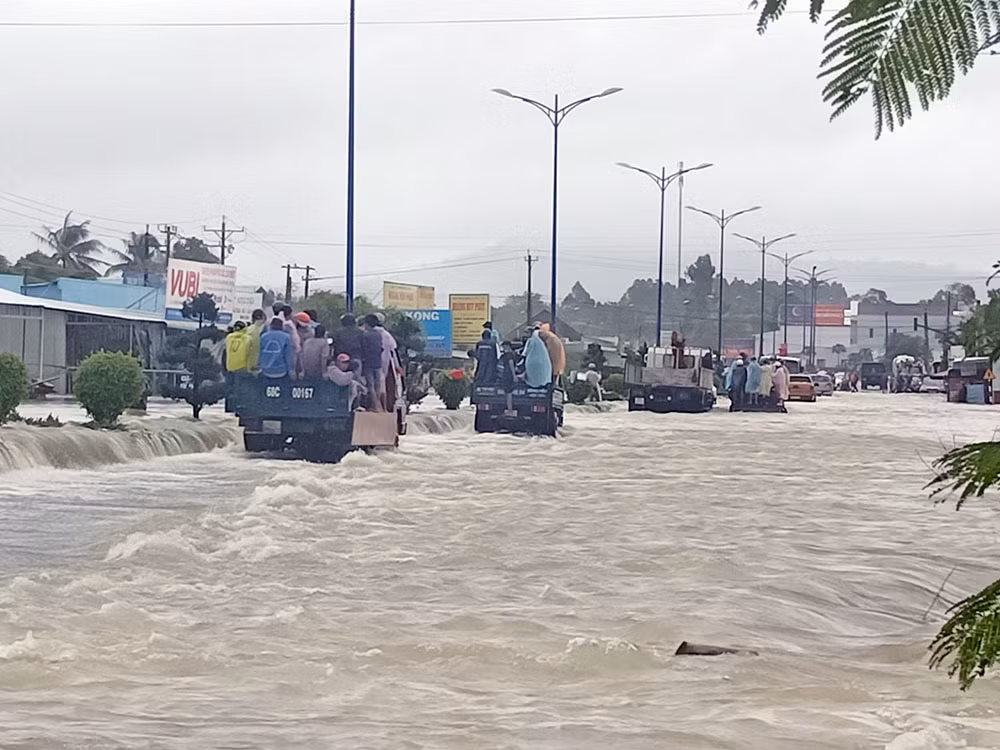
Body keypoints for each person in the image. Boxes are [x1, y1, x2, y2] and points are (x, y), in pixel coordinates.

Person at [360, 314, 384, 411]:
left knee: (370, 385)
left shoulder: (365, 335)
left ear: (366, 324)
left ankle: (375, 406)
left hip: (368, 362)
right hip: (378, 362)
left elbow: (363, 348)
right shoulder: (378, 334)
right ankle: (377, 403)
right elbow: (381, 348)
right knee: (377, 384)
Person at [245, 309, 267, 373]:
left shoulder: (248, 329)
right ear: (262, 318)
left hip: (248, 362)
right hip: (254, 363)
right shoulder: (256, 330)